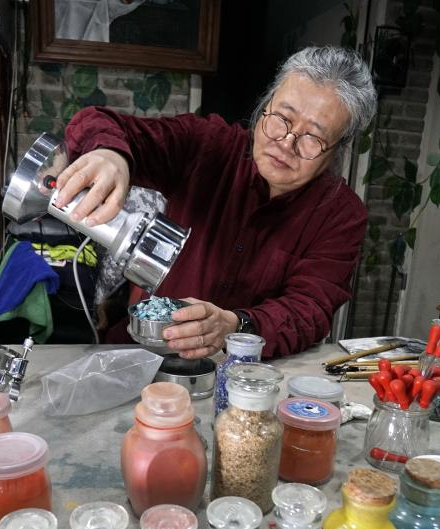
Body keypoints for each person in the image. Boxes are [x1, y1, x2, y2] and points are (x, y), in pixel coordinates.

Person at [56, 46, 377, 359]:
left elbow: (308, 310)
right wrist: (111, 154)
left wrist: (235, 327)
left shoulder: (341, 215)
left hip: (242, 371)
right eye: (282, 118)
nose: (286, 143)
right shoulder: (208, 146)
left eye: (313, 138)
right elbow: (100, 121)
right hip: (142, 352)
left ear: (337, 149)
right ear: (265, 106)